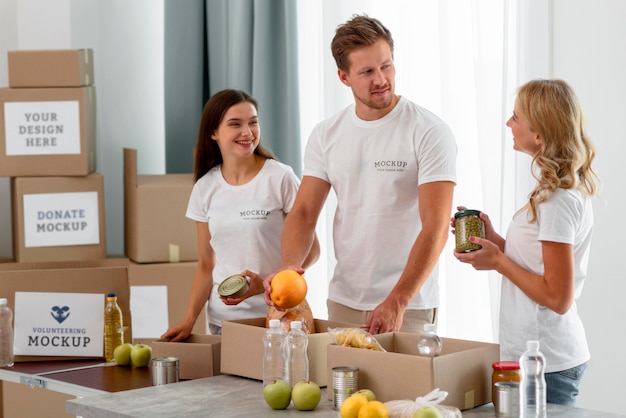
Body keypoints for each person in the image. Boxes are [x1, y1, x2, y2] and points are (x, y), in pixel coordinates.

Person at [263, 15, 457, 334]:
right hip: (344, 302)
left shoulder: (429, 131)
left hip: (409, 304)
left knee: (406, 386)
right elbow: (304, 212)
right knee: (340, 386)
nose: (381, 79)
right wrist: (289, 269)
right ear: (344, 77)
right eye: (367, 71)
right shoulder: (326, 134)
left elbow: (435, 227)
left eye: (386, 66)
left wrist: (398, 300)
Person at [452, 79, 599, 406]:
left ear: (540, 135)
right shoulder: (552, 192)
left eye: (516, 117)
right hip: (538, 356)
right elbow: (537, 264)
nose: (508, 123)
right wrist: (496, 243)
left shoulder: (557, 200)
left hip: (547, 361)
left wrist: (498, 263)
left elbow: (558, 297)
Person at [162, 89, 319, 338]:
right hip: (225, 323)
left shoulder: (280, 177)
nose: (247, 132)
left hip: (279, 318)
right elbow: (205, 266)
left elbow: (312, 250)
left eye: (253, 122)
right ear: (213, 133)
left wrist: (265, 284)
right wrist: (189, 319)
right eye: (235, 124)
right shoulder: (205, 187)